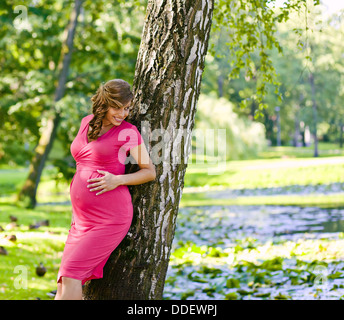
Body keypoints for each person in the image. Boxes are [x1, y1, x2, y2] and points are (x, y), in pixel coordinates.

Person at [55, 79, 156, 300]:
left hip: (110, 217)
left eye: (127, 108)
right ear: (104, 103)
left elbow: (149, 171)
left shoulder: (128, 132)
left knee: (71, 275)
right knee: (64, 280)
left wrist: (118, 180)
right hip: (81, 220)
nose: (123, 113)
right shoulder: (86, 122)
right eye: (117, 107)